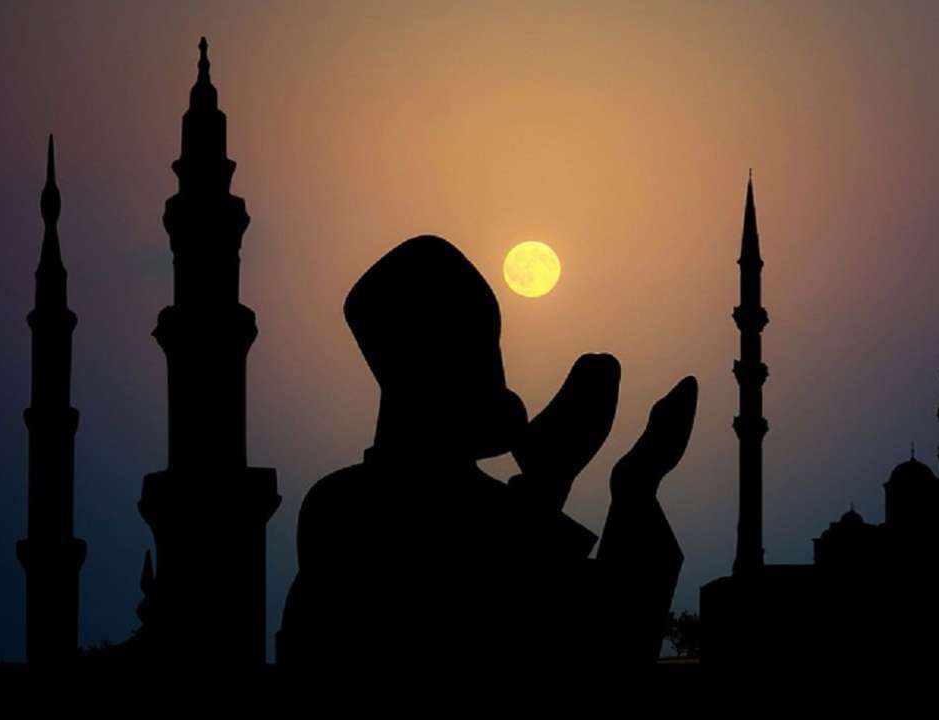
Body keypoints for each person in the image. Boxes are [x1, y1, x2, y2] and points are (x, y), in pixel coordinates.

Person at [276, 235, 695, 675]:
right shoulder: (346, 508)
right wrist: (577, 484)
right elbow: (587, 642)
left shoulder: (346, 502)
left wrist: (623, 487)